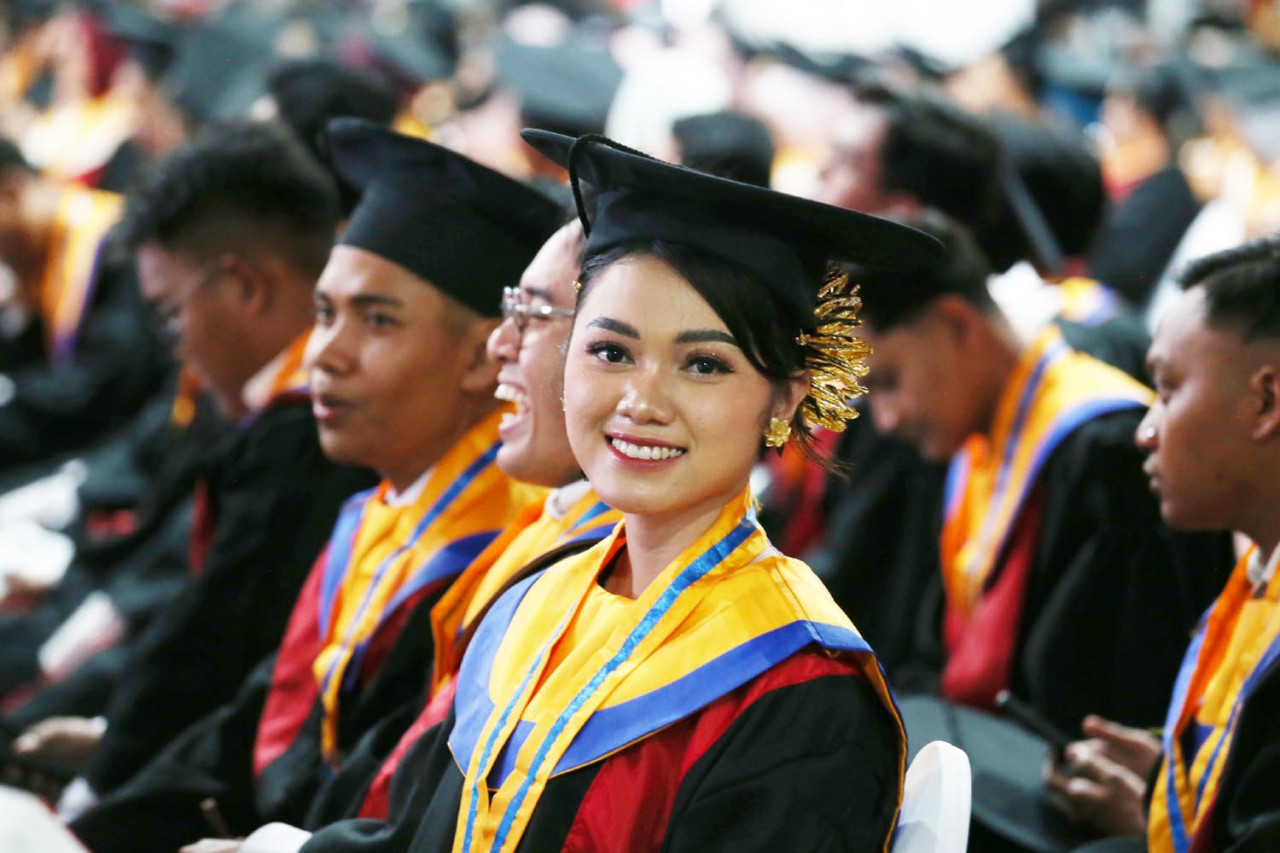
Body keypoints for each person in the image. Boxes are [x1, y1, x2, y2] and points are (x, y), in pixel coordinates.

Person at [290, 129, 940, 853]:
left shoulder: (799, 693)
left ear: (785, 398)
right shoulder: (532, 601)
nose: (641, 402)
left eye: (703, 364)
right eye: (610, 351)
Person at [68, 118, 558, 853]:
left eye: (378, 320)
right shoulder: (376, 512)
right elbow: (265, 716)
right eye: (325, 313)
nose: (325, 355)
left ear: (485, 357)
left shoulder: (501, 559)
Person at [221, 218, 629, 853]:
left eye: (532, 314)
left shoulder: (598, 575)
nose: (500, 342)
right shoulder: (537, 532)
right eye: (324, 314)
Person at [5, 120, 375, 810]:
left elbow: (206, 650)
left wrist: (106, 774)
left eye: (171, 314)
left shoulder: (313, 441)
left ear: (244, 286)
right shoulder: (255, 408)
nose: (175, 345)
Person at [853, 213, 1232, 733]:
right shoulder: (976, 443)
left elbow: (1096, 696)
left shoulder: (1109, 453)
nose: (885, 420)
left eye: (888, 381)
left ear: (958, 325)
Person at [1046, 236, 1280, 853]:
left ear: (1266, 402)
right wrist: (1180, 785)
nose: (1146, 432)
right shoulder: (1260, 570)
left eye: (1169, 390)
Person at [0, 135, 167, 471]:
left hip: (133, 452)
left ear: (12, 193)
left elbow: (102, 387)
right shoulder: (38, 259)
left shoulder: (112, 242)